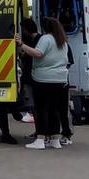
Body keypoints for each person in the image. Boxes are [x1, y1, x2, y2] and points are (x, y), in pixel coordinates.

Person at [20, 17, 69, 150]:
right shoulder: (62, 41)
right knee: (55, 110)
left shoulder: (46, 39)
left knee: (41, 109)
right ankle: (55, 139)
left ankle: (40, 139)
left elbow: (38, 53)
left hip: (44, 79)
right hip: (60, 80)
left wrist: (21, 45)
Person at [15, 18, 39, 127]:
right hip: (30, 75)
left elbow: (33, 54)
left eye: (23, 29)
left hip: (33, 76)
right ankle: (38, 131)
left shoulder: (37, 40)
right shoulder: (33, 40)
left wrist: (21, 46)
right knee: (32, 104)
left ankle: (40, 131)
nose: (22, 31)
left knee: (34, 104)